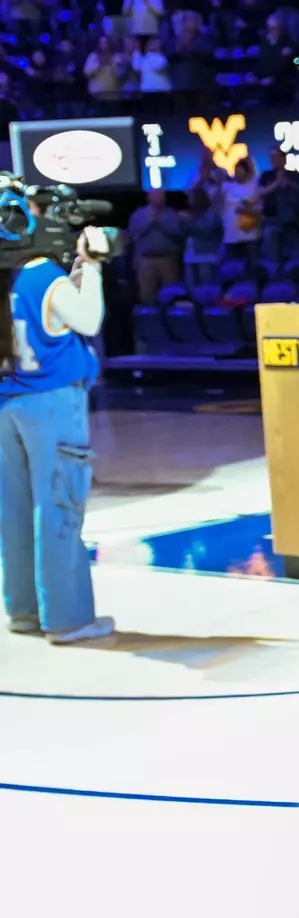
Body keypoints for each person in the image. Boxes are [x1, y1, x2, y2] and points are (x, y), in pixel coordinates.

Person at [0, 227, 115, 644]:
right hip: (51, 405)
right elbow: (88, 319)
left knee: (12, 513)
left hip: (4, 405)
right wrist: (94, 266)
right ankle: (68, 619)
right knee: (58, 510)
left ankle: (23, 611)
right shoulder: (40, 274)